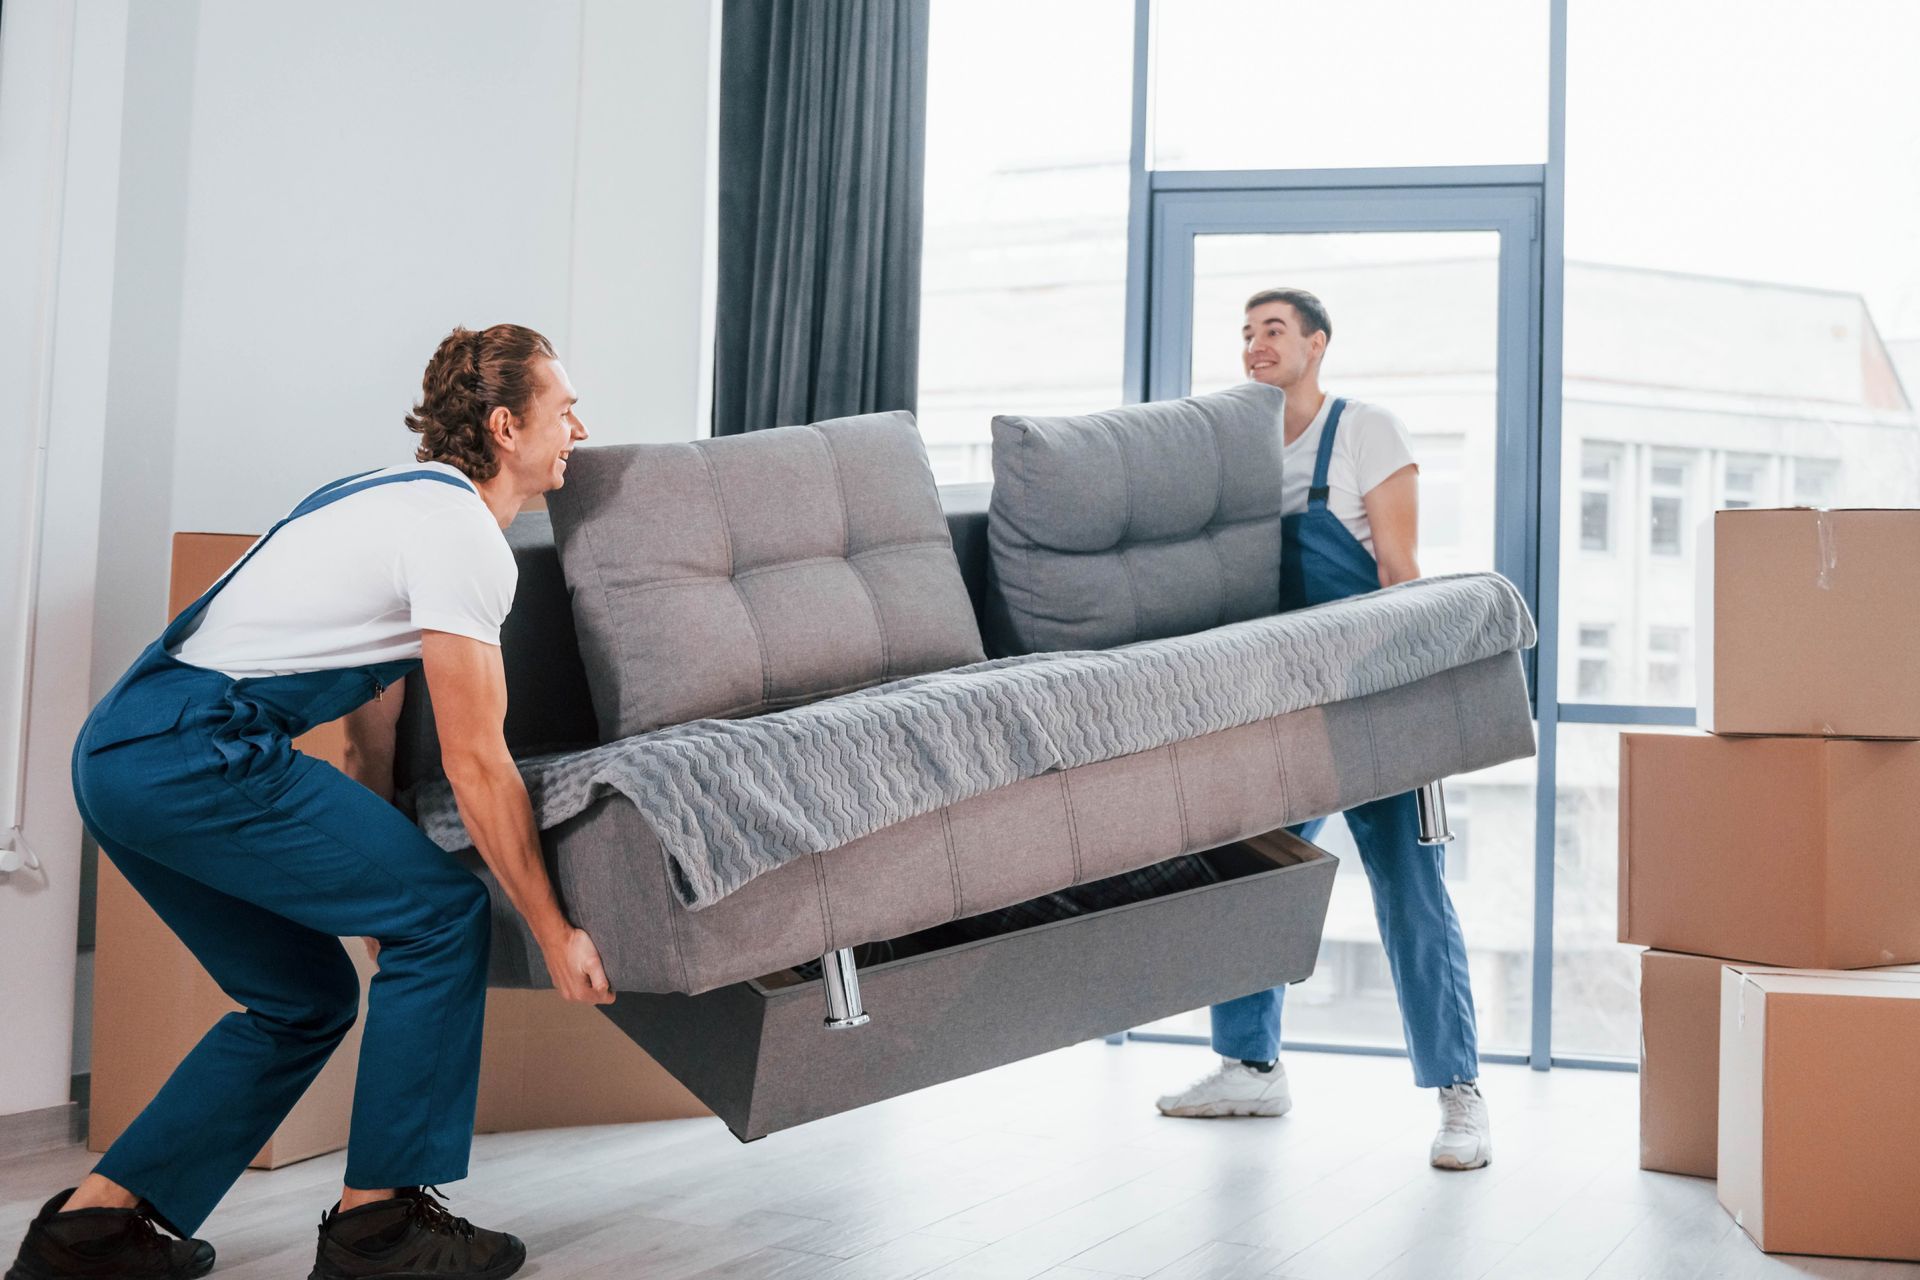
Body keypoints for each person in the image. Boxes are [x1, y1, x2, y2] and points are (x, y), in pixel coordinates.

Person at [7, 324, 606, 1280]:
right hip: (198, 748)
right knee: (450, 915)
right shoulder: (462, 538)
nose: (580, 425)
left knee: (303, 998)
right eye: (564, 407)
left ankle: (93, 1233)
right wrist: (553, 926)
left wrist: (373, 885)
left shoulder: (385, 498)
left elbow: (372, 729)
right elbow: (478, 764)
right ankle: (380, 1231)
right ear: (505, 426)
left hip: (125, 750)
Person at [1153, 288, 1492, 1172]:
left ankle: (1460, 1097)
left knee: (1412, 894)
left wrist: (1414, 714)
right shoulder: (1242, 451)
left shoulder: (1365, 430)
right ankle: (1249, 1066)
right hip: (1274, 711)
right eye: (1245, 334)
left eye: (1274, 330)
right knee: (1246, 880)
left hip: (1372, 701)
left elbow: (1400, 573)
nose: (1256, 346)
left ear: (1317, 344)